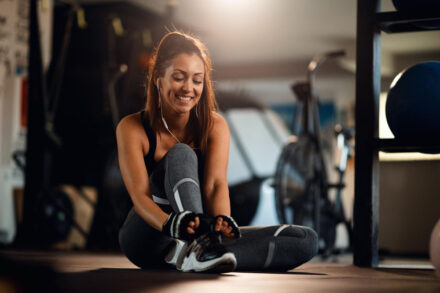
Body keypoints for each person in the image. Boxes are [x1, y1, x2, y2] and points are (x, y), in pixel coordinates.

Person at [117, 31, 318, 273]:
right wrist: (174, 225)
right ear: (159, 79)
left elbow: (215, 185)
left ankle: (201, 255)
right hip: (148, 239)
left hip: (197, 239)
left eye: (197, 80)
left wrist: (222, 221)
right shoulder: (132, 128)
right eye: (179, 77)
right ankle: (199, 248)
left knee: (303, 240)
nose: (188, 88)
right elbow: (140, 199)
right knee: (182, 154)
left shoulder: (215, 126)